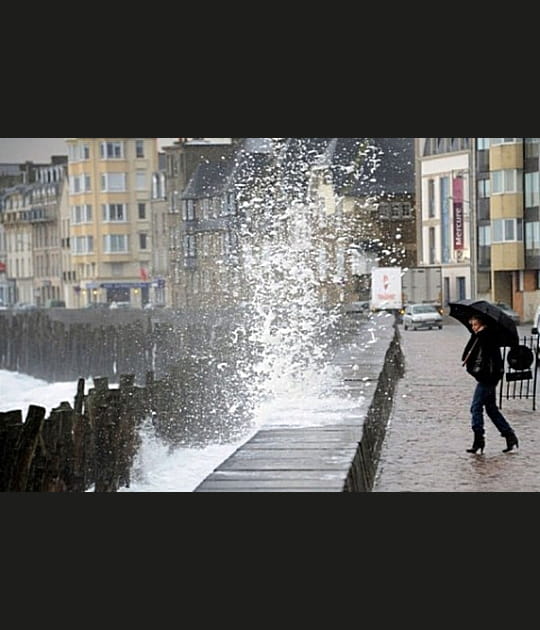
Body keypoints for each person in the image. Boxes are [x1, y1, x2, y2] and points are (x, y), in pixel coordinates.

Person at [461, 314, 519, 454]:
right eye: (472, 325)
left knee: (476, 407)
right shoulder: (480, 337)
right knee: (491, 409)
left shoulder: (486, 337)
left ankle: (479, 439)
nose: (473, 328)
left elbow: (488, 358)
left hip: (488, 378)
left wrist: (478, 336)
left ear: (482, 324)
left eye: (475, 325)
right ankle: (509, 436)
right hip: (488, 377)